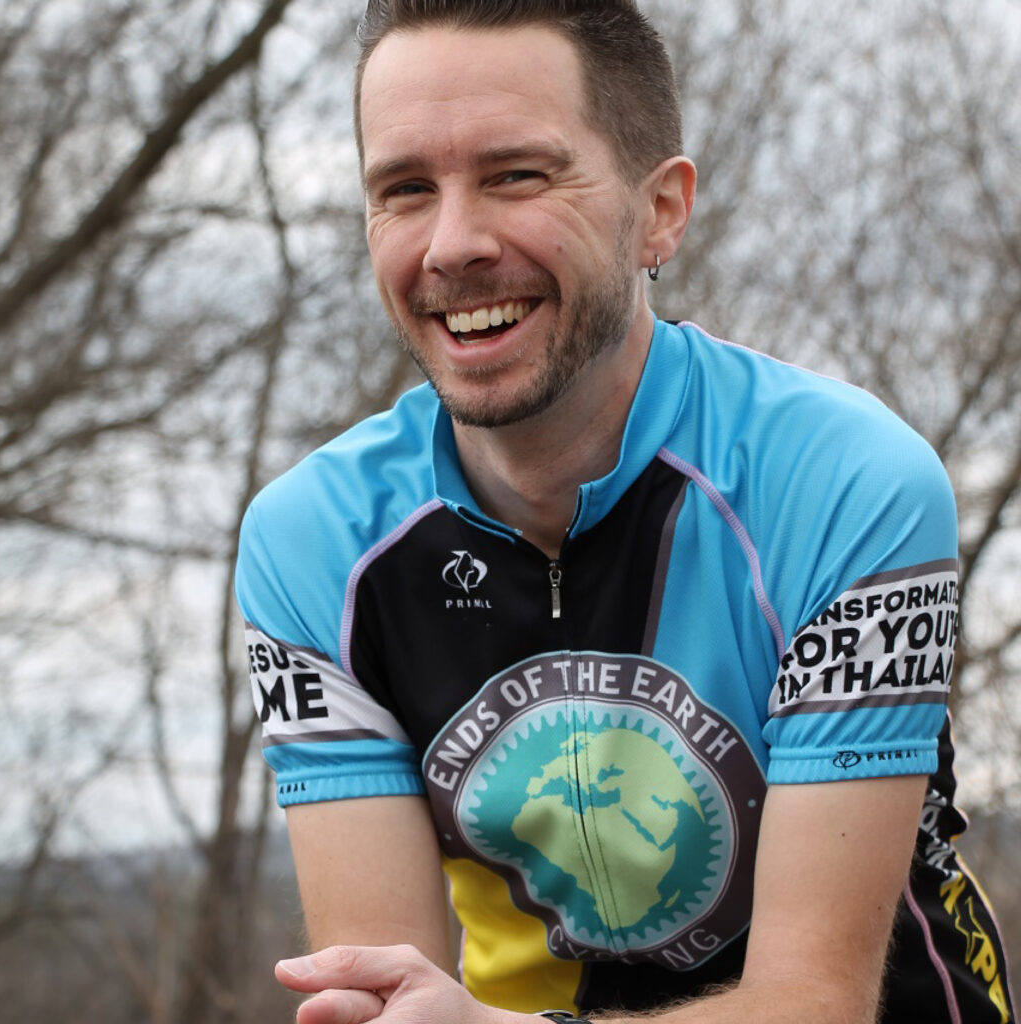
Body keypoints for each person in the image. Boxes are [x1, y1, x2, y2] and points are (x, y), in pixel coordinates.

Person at [235, 2, 1015, 1022]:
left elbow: (814, 1001)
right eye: (406, 189)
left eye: (516, 174)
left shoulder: (847, 483)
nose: (452, 244)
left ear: (661, 211)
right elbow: (379, 995)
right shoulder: (311, 545)